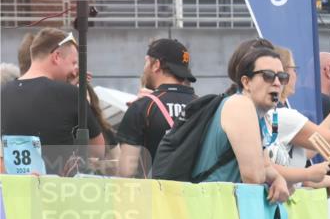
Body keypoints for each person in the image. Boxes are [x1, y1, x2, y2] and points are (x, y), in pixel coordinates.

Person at [188, 39, 291, 204]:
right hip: (213, 212)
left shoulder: (252, 112)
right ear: (246, 82)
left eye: (282, 76)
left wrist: (278, 178)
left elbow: (265, 167)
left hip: (219, 210)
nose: (277, 83)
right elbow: (254, 177)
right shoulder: (240, 105)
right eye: (268, 75)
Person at [1, 29, 104, 163]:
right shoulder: (70, 94)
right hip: (58, 182)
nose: (75, 70)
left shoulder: (4, 93)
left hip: (14, 182)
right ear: (56, 57)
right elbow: (98, 151)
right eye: (73, 63)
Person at [266, 43, 330, 193]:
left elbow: (311, 147)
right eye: (294, 70)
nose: (296, 75)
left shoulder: (275, 114)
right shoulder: (284, 115)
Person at [117, 39, 198, 177]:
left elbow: (126, 172)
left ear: (156, 65)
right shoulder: (203, 105)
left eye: (146, 62)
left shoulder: (142, 107)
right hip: (196, 195)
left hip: (155, 195)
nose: (144, 68)